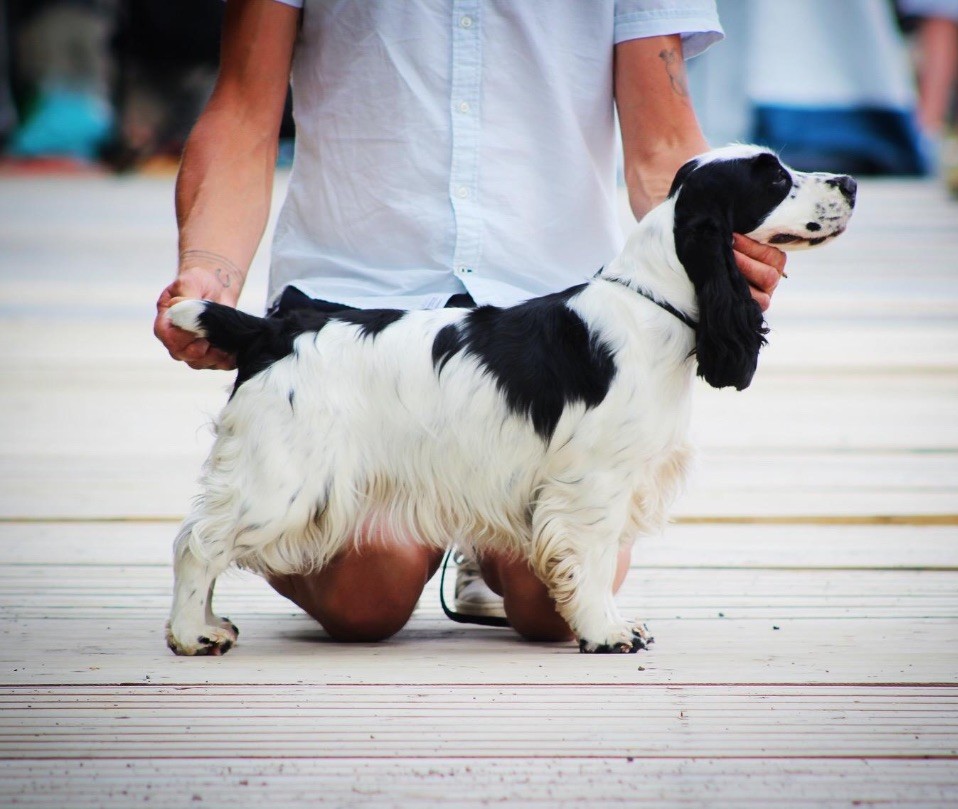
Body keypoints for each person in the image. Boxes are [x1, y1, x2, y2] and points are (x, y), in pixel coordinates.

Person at [153, 1, 787, 645]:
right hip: (349, 321)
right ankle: (433, 530)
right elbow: (242, 109)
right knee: (366, 597)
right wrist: (210, 270)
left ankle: (483, 535)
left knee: (553, 604)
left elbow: (664, 147)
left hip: (558, 335)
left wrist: (718, 255)